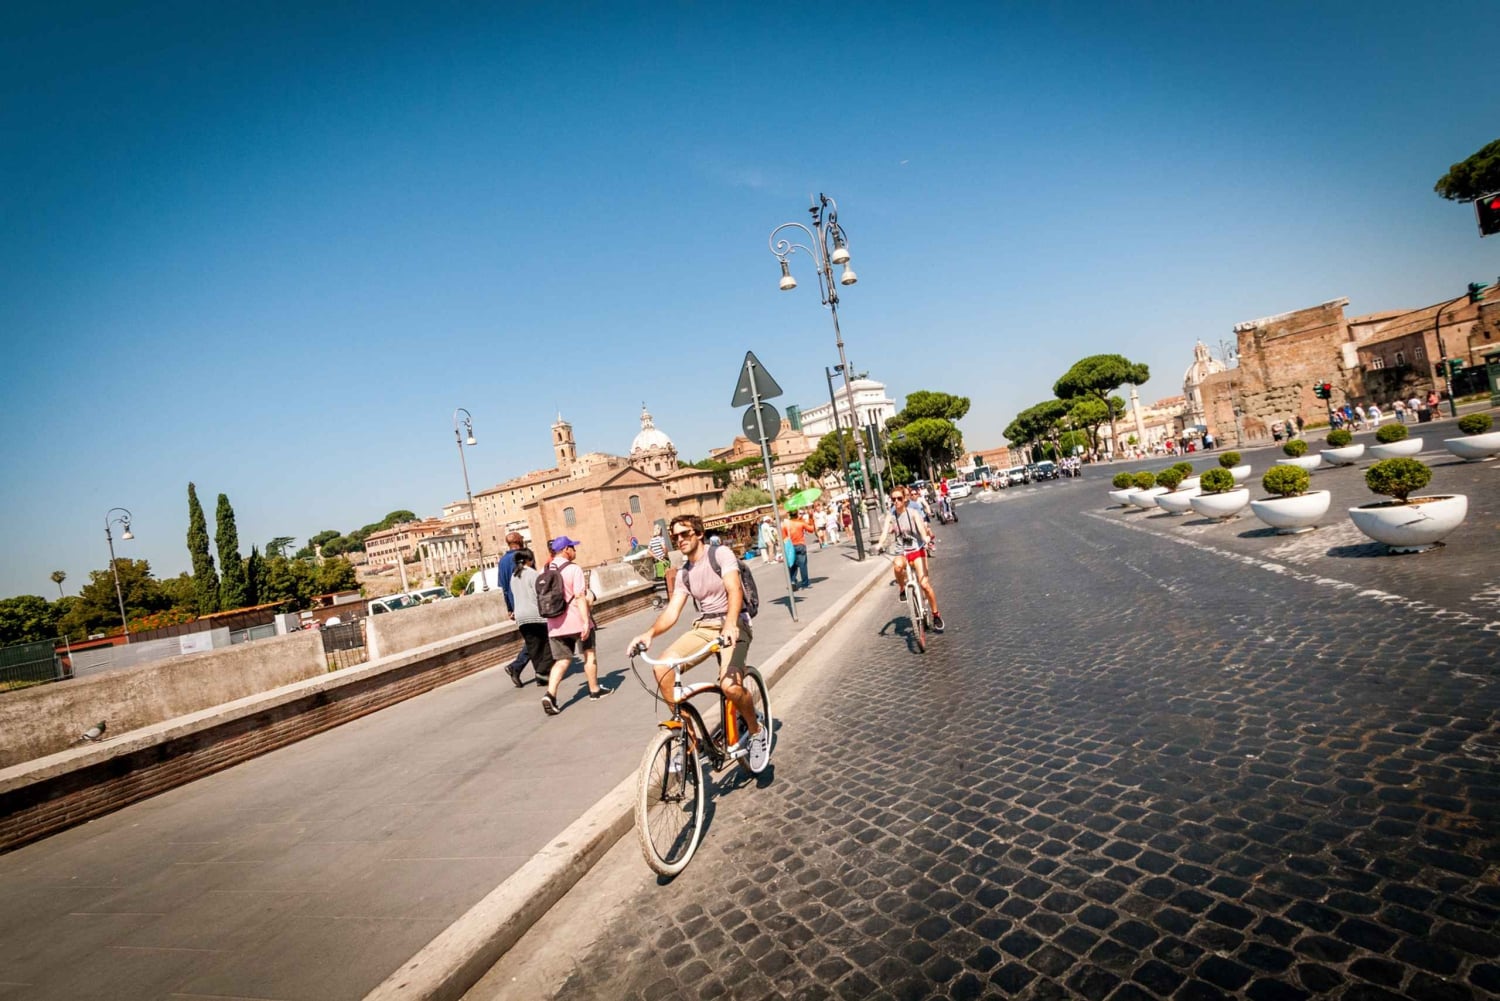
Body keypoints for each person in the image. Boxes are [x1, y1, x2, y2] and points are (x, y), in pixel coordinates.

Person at [630, 515, 768, 771]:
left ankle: (756, 730)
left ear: (699, 534)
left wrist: (730, 624)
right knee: (662, 669)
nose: (680, 540)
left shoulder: (720, 554)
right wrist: (649, 634)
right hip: (704, 627)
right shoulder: (684, 573)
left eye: (685, 534)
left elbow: (734, 589)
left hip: (734, 623)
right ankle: (690, 743)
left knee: (730, 687)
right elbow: (672, 611)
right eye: (675, 537)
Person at [540, 536, 611, 715]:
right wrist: (586, 621)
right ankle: (594, 690)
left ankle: (550, 694)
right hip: (576, 621)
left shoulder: (545, 570)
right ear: (565, 549)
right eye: (572, 547)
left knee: (562, 660)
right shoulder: (574, 569)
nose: (575, 550)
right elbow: (580, 597)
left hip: (554, 624)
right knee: (589, 654)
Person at [875, 490, 944, 631]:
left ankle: (936, 614)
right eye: (893, 499)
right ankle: (902, 588)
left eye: (899, 498)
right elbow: (884, 533)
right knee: (897, 566)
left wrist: (925, 538)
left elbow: (922, 530)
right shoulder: (891, 516)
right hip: (902, 551)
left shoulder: (913, 513)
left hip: (917, 550)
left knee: (924, 584)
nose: (896, 501)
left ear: (905, 499)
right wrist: (879, 544)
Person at [508, 548, 554, 687]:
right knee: (551, 641)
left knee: (533, 646)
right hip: (535, 614)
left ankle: (539, 675)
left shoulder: (514, 576)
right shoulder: (533, 574)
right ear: (530, 560)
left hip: (521, 616)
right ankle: (542, 671)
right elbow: (540, 594)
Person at [496, 533, 532, 687]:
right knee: (535, 638)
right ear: (519, 541)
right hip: (529, 604)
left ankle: (542, 673)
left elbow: (504, 589)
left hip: (516, 606)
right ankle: (516, 666)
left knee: (534, 638)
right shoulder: (523, 556)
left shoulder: (502, 561)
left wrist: (510, 608)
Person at [782, 508, 815, 590]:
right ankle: (805, 584)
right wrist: (811, 518)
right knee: (803, 565)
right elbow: (811, 530)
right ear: (797, 514)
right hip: (800, 545)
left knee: (792, 564)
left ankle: (793, 581)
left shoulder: (785, 524)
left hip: (790, 546)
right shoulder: (800, 523)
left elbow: (784, 537)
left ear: (789, 515)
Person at [647, 523, 675, 600]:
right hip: (664, 560)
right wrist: (665, 554)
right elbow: (664, 548)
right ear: (659, 530)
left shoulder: (652, 540)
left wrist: (656, 557)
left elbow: (648, 551)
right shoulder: (661, 538)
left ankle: (667, 597)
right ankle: (671, 596)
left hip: (658, 562)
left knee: (663, 579)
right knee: (668, 578)